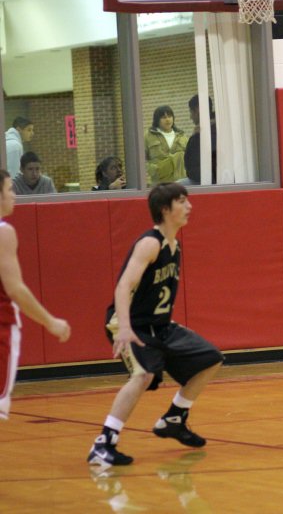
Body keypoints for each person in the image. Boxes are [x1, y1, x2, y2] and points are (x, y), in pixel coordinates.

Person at [87, 183, 224, 467]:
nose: (189, 207)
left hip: (159, 326)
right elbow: (124, 286)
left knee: (211, 358)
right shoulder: (150, 243)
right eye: (182, 201)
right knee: (143, 375)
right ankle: (103, 443)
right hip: (131, 323)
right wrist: (124, 327)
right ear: (165, 209)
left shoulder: (175, 246)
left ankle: (174, 418)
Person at [0, 169, 70, 420]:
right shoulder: (3, 232)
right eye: (9, 189)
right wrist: (50, 321)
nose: (14, 195)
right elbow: (15, 288)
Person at [145, 106, 188, 184]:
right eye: (164, 117)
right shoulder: (148, 136)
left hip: (181, 182)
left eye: (170, 116)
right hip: (159, 184)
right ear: (157, 120)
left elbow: (190, 158)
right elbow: (141, 160)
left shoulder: (181, 136)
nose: (168, 119)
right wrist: (153, 170)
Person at [184, 95, 216, 185]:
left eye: (191, 112)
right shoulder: (222, 125)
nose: (191, 117)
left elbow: (192, 167)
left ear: (197, 110)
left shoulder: (202, 134)